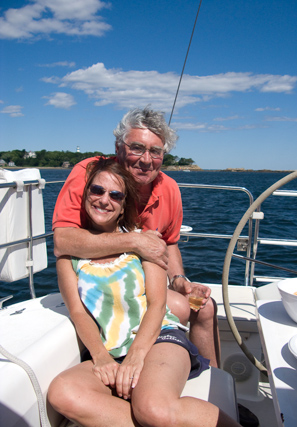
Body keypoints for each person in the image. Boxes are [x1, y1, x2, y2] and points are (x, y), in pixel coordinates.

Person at [48, 158, 239, 427]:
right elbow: (78, 312)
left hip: (159, 338)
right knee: (63, 393)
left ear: (124, 204)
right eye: (97, 190)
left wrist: (136, 356)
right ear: (85, 193)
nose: (104, 200)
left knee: (154, 410)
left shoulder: (144, 243)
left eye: (115, 195)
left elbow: (158, 305)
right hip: (112, 350)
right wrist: (102, 358)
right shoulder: (70, 256)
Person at [52, 106, 220, 368]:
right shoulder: (90, 175)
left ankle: (214, 385)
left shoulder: (170, 189)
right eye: (137, 148)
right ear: (119, 148)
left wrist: (179, 280)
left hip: (144, 281)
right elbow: (63, 241)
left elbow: (170, 242)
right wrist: (135, 241)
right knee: (178, 308)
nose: (146, 159)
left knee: (205, 306)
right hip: (99, 282)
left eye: (155, 151)